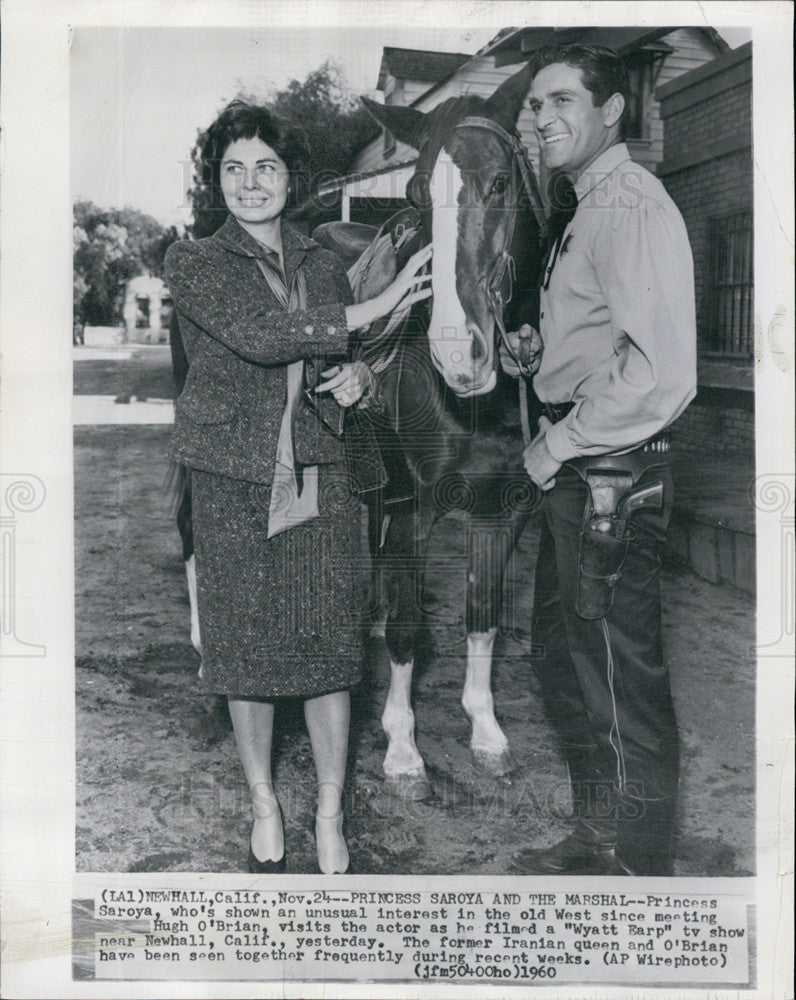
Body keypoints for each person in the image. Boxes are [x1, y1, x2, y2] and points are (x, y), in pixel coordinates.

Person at [164, 100, 431, 874]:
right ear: (216, 181)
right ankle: (262, 802)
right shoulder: (195, 262)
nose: (252, 183)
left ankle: (331, 813)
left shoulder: (321, 265)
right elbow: (260, 337)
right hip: (233, 483)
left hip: (323, 476)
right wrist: (374, 306)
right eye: (234, 168)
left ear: (292, 179)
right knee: (245, 654)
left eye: (267, 167)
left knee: (328, 657)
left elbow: (322, 361)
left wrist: (352, 378)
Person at [501, 45, 696, 876]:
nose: (541, 119)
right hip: (585, 469)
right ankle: (603, 832)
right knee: (562, 654)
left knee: (621, 675)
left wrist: (556, 442)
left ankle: (640, 868)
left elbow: (662, 371)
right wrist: (541, 351)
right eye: (535, 106)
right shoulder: (582, 206)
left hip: (609, 471)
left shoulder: (629, 205)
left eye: (561, 103)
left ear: (612, 111)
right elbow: (607, 335)